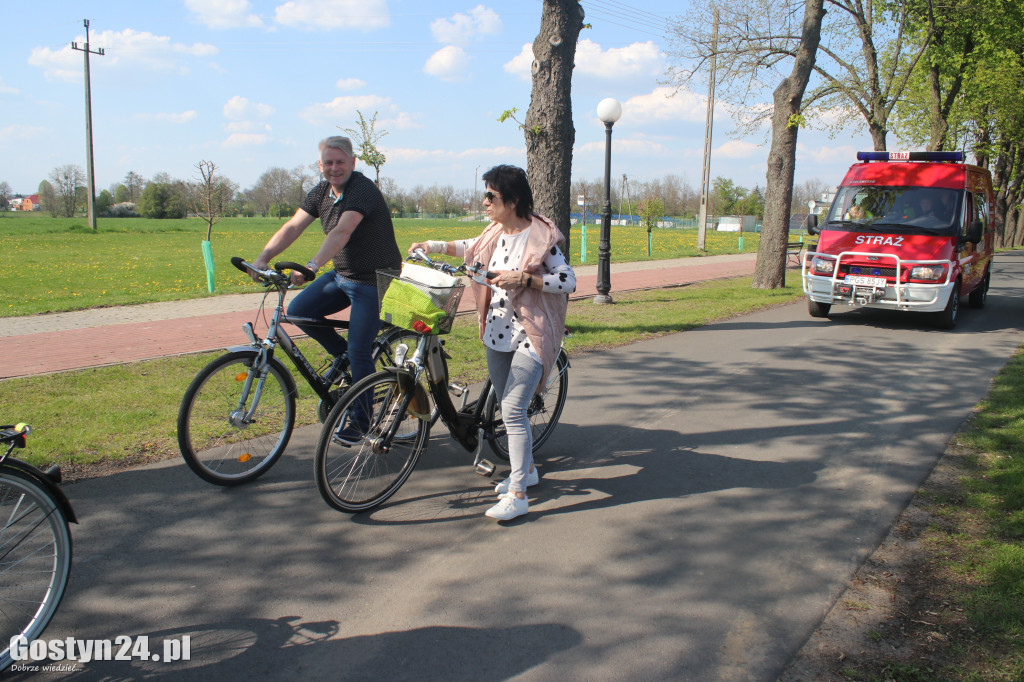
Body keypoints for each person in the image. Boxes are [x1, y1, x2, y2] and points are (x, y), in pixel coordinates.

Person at [409, 165, 576, 521]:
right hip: (497, 331)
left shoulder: (540, 237)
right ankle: (527, 470)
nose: (484, 202)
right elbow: (470, 246)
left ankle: (518, 494)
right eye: (485, 194)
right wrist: (431, 245)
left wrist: (527, 280)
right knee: (505, 403)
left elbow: (568, 279)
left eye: (491, 196)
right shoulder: (495, 232)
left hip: (532, 333)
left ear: (513, 200)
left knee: (514, 410)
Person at [251, 136, 401, 444]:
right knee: (299, 312)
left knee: (360, 350)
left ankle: (361, 422)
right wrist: (263, 259)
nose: (334, 168)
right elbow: (294, 226)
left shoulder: (362, 189)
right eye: (328, 162)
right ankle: (345, 360)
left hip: (375, 279)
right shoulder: (320, 192)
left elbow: (342, 231)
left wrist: (312, 265)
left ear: (352, 162)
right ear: (320, 165)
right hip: (344, 274)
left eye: (340, 162)